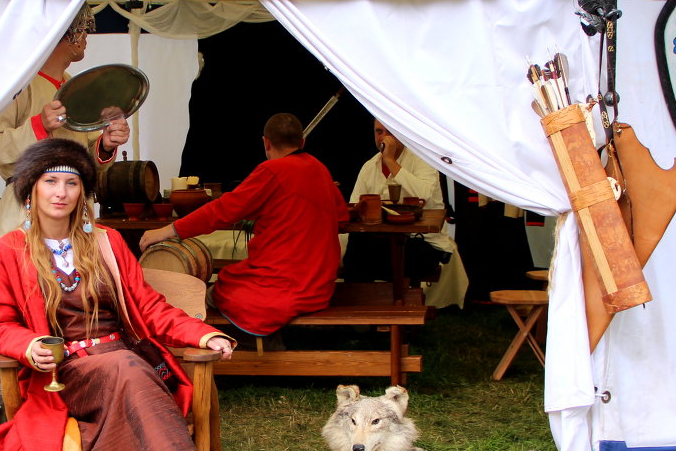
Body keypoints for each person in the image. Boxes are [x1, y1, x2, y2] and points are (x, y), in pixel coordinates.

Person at [0, 138, 237, 451]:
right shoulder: (12, 249)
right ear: (32, 191)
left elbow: (150, 307)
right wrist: (27, 346)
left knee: (123, 377)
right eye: (50, 181)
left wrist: (204, 332)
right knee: (126, 372)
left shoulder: (107, 243)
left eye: (71, 183)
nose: (61, 192)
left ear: (82, 193)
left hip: (121, 361)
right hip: (64, 374)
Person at [139, 113, 348, 339]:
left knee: (219, 290)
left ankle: (234, 344)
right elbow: (342, 218)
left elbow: (222, 210)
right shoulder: (320, 170)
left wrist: (168, 230)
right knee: (235, 278)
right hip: (319, 287)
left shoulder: (272, 171)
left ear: (265, 143)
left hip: (284, 287)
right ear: (303, 143)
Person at [0, 3, 131, 249]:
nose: (87, 37)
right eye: (83, 29)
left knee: (78, 286)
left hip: (76, 216)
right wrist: (39, 126)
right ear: (65, 33)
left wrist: (105, 146)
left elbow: (82, 159)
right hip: (28, 215)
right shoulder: (17, 85)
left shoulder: (75, 87)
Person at [342, 119, 468, 308]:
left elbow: (423, 194)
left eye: (388, 132)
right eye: (378, 131)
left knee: (397, 252)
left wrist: (391, 161)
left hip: (423, 242)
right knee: (357, 246)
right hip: (382, 239)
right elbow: (354, 204)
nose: (383, 137)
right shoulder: (369, 167)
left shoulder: (422, 160)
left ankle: (396, 312)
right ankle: (358, 313)